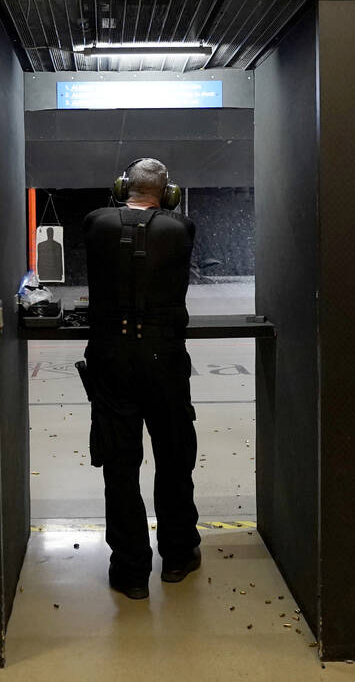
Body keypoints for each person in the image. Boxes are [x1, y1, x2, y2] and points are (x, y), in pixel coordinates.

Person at [81, 158, 200, 600]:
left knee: (119, 463)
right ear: (168, 193)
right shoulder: (180, 228)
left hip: (111, 356)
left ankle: (130, 571)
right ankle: (177, 555)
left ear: (120, 188)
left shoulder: (95, 223)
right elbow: (160, 231)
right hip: (163, 357)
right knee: (173, 457)